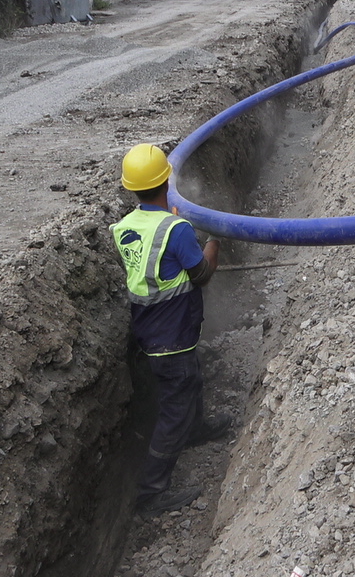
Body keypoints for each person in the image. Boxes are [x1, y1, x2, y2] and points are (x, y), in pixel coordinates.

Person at [111, 143, 232, 518]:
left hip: (152, 330)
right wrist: (214, 240)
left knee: (189, 382)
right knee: (173, 412)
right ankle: (150, 494)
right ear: (167, 178)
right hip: (173, 336)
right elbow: (201, 275)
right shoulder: (177, 229)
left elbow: (157, 254)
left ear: (131, 187)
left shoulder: (125, 226)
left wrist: (174, 224)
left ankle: (195, 430)